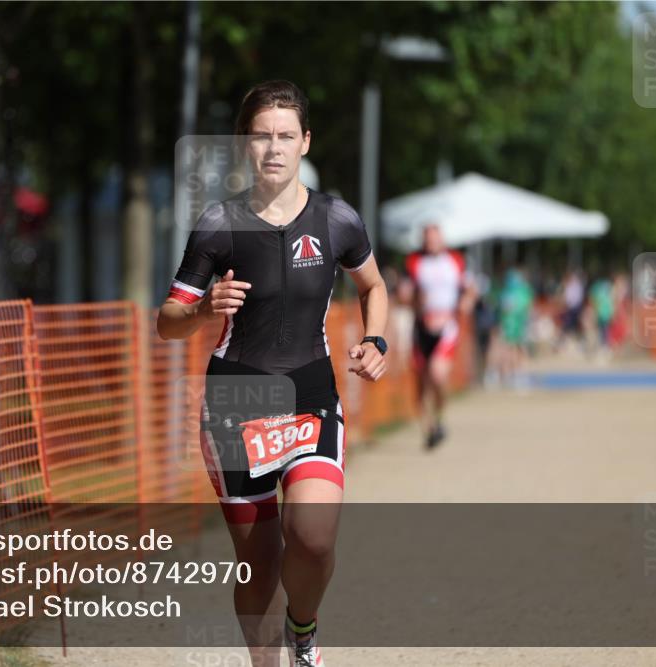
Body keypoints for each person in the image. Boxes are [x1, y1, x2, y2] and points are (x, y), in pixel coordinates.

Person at [157, 80, 389, 667]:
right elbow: (167, 321)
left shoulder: (336, 218)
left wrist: (375, 337)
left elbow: (374, 285)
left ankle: (303, 630)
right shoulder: (219, 223)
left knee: (312, 536)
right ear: (244, 145)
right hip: (235, 400)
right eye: (262, 137)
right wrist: (204, 310)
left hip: (310, 392)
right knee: (259, 565)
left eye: (287, 136)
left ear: (306, 142)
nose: (275, 149)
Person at [405, 224, 474, 449]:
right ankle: (429, 429)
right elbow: (405, 293)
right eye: (428, 239)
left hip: (446, 327)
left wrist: (466, 302)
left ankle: (441, 417)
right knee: (421, 382)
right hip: (422, 327)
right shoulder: (414, 262)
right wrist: (413, 301)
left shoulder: (455, 260)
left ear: (442, 239)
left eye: (435, 238)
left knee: (437, 374)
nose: (432, 242)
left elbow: (470, 288)